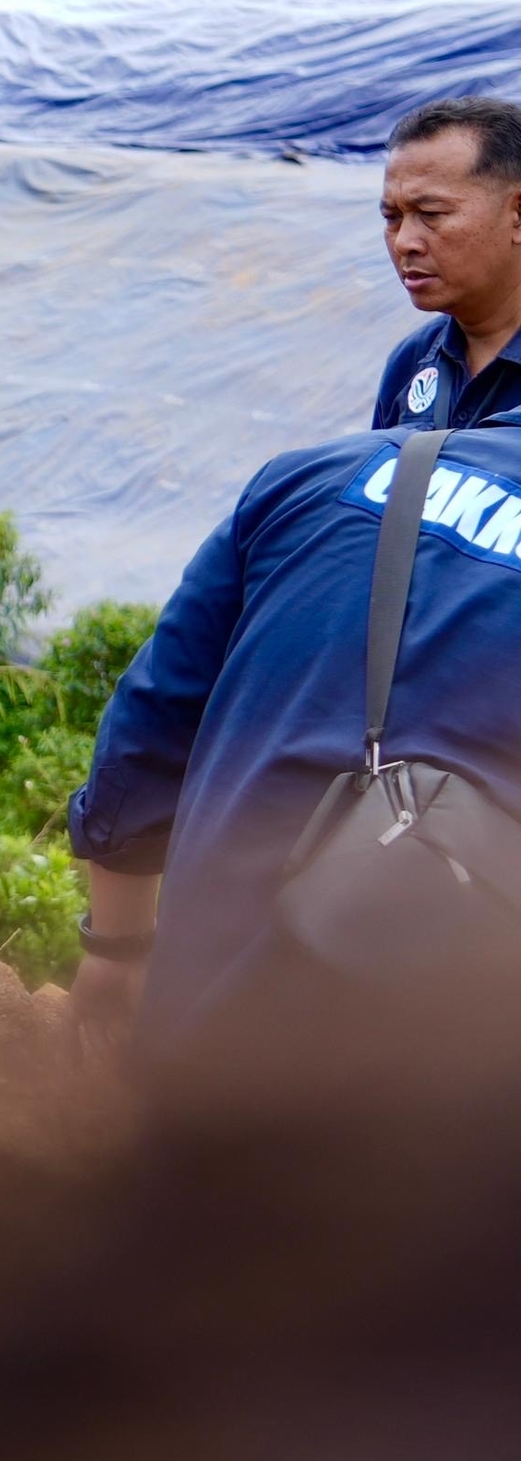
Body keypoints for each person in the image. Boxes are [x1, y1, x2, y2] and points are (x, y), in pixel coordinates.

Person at [65, 417, 521, 1069]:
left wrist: (117, 949)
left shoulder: (313, 477)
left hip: (207, 1038)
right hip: (446, 1104)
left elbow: (146, 727)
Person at [371, 96, 521, 432]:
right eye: (392, 217)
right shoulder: (412, 361)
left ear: (518, 214)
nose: (403, 242)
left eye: (430, 214)